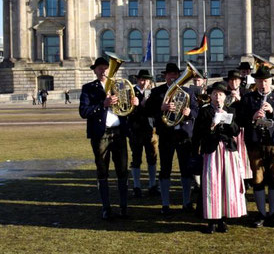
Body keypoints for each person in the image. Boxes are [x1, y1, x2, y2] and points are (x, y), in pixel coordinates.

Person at [79, 57, 139, 220]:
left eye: (107, 68)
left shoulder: (120, 86)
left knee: (122, 171)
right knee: (102, 171)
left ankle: (124, 207)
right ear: (95, 70)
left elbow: (128, 110)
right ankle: (106, 208)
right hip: (101, 134)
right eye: (100, 69)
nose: (104, 71)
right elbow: (84, 112)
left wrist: (135, 104)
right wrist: (103, 104)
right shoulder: (88, 88)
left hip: (119, 133)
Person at [238, 66, 274, 228]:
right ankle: (261, 213)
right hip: (255, 143)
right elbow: (239, 119)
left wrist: (273, 111)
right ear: (256, 82)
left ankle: (273, 213)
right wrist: (252, 117)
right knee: (258, 178)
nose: (263, 84)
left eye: (265, 81)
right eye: (260, 81)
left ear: (270, 82)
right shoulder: (248, 98)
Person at [192, 82, 247, 233]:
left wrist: (227, 120)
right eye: (215, 94)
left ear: (225, 96)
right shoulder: (205, 112)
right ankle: (211, 220)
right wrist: (211, 126)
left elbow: (236, 132)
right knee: (212, 184)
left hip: (228, 151)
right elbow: (197, 134)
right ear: (210, 96)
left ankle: (223, 219)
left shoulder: (231, 110)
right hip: (211, 151)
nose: (218, 97)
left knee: (226, 184)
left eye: (221, 94)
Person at [146, 63, 199, 215]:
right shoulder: (157, 91)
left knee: (186, 170)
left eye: (176, 74)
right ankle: (165, 204)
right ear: (165, 76)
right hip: (166, 135)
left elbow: (197, 111)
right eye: (170, 74)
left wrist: (189, 113)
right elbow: (147, 111)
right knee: (165, 169)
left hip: (184, 136)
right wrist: (161, 109)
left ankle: (186, 202)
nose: (173, 76)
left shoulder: (188, 91)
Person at [127, 70, 158, 198]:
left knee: (152, 157)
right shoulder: (130, 92)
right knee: (136, 158)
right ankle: (136, 186)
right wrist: (138, 106)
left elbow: (155, 112)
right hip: (136, 130)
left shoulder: (152, 93)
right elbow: (127, 112)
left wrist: (145, 105)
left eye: (146, 80)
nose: (144, 82)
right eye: (142, 80)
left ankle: (152, 185)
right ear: (138, 80)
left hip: (151, 130)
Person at [223, 70, 252, 183]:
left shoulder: (247, 92)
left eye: (236, 80)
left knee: (245, 156)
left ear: (240, 81)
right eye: (231, 80)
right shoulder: (224, 92)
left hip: (243, 127)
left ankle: (246, 179)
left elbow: (250, 110)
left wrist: (240, 99)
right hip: (230, 129)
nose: (233, 82)